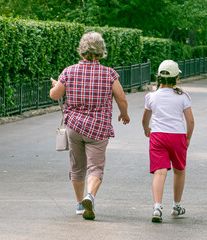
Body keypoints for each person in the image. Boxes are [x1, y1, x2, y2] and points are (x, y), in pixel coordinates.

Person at [50, 31, 130, 220]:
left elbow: (55, 95)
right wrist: (124, 114)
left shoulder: (69, 72)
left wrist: (55, 85)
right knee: (95, 167)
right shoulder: (109, 74)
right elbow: (121, 98)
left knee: (77, 166)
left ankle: (79, 204)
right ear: (101, 52)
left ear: (82, 50)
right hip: (99, 129)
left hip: (75, 127)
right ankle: (90, 196)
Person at [142, 60, 194, 223]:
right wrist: (187, 138)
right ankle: (176, 206)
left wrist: (146, 129)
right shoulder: (183, 96)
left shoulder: (151, 96)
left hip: (157, 136)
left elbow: (145, 118)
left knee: (160, 171)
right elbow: (190, 121)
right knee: (179, 170)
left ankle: (157, 207)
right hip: (177, 136)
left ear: (158, 77)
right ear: (176, 78)